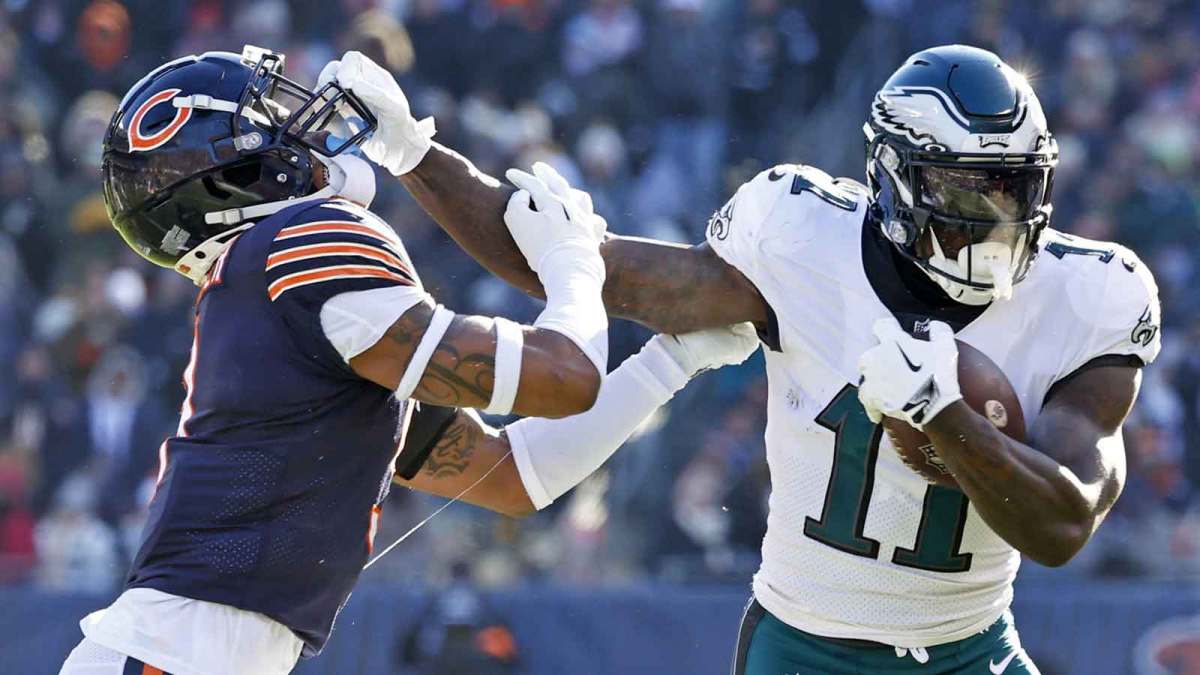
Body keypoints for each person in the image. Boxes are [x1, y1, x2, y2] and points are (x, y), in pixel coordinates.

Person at [347, 44, 1163, 673]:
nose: (994, 221)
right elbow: (588, 270)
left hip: (967, 645)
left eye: (1012, 189)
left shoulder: (1090, 294)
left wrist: (940, 414)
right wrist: (417, 156)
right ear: (894, 180)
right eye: (964, 192)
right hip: (805, 646)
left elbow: (1063, 525)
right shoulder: (801, 240)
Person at [60, 46, 758, 675]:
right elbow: (564, 377)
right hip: (175, 658)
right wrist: (572, 260)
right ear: (228, 174)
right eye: (269, 119)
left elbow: (516, 474)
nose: (297, 129)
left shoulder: (273, 296)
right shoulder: (300, 245)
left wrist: (668, 363)